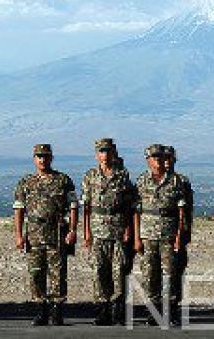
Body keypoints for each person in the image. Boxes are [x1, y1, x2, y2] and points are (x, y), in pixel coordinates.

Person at [13, 144, 78, 326]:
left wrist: (72, 230)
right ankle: (40, 310)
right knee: (36, 273)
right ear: (34, 159)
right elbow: (19, 210)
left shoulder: (63, 180)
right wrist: (19, 235)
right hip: (33, 234)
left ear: (51, 158)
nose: (42, 160)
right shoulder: (26, 182)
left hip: (57, 233)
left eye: (45, 156)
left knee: (58, 273)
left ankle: (56, 311)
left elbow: (73, 207)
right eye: (39, 156)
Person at [81, 138, 134, 325]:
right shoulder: (90, 176)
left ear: (113, 154)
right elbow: (86, 206)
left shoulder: (122, 175)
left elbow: (129, 205)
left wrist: (128, 228)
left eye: (108, 151)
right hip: (97, 229)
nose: (105, 155)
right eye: (101, 152)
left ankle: (118, 308)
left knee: (119, 270)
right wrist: (86, 231)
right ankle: (103, 308)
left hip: (118, 227)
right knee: (99, 269)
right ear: (96, 155)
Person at [133, 144, 186, 327]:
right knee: (149, 275)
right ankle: (153, 311)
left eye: (160, 157)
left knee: (170, 274)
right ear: (148, 160)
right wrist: (136, 238)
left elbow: (181, 213)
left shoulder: (176, 182)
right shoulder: (141, 181)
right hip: (147, 236)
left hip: (169, 236)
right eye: (154, 157)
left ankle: (170, 310)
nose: (157, 161)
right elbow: (136, 211)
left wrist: (180, 236)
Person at [162, 145, 193, 313]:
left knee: (175, 271)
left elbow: (187, 211)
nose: (166, 162)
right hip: (157, 234)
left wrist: (185, 234)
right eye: (163, 158)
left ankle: (172, 306)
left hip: (177, 233)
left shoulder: (181, 182)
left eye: (169, 158)